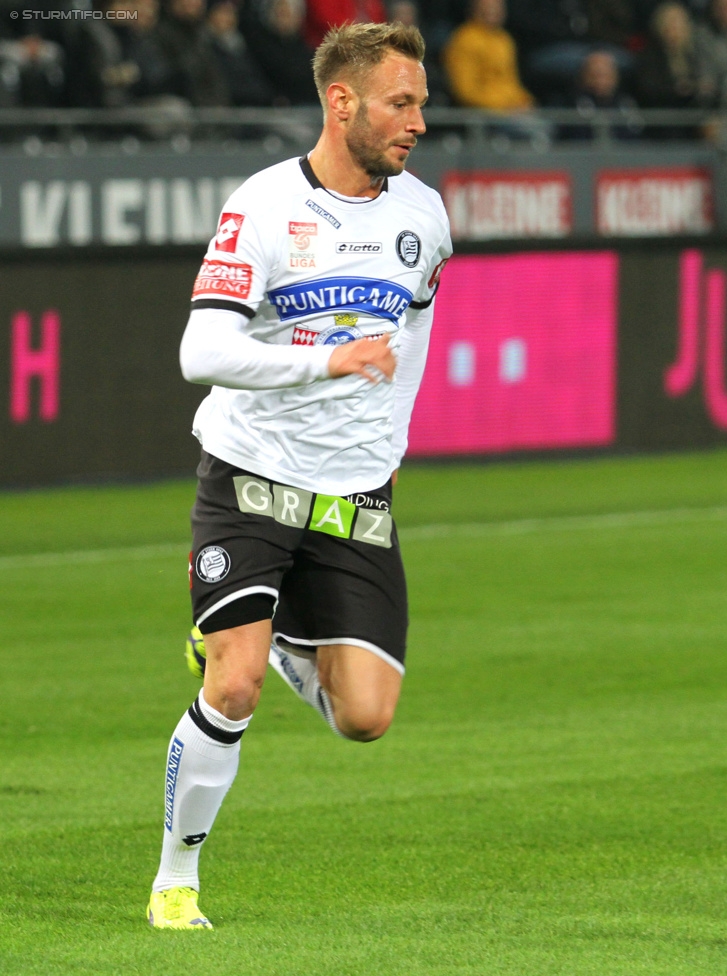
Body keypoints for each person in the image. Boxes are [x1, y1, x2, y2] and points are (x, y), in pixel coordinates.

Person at [146, 20, 452, 930]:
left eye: (423, 104)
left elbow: (415, 339)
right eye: (402, 103)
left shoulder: (424, 217)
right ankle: (175, 882)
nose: (418, 123)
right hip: (252, 477)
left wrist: (388, 447)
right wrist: (325, 364)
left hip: (353, 494)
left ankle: (270, 637)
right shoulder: (266, 206)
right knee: (229, 686)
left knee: (366, 717)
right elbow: (200, 349)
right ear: (341, 100)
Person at [441, 0, 534, 110]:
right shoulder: (464, 40)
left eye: (497, 8)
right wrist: (503, 107)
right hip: (483, 113)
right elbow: (464, 90)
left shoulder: (504, 39)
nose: (493, 11)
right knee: (534, 127)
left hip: (511, 108)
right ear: (474, 10)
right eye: (488, 7)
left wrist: (524, 100)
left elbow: (511, 81)